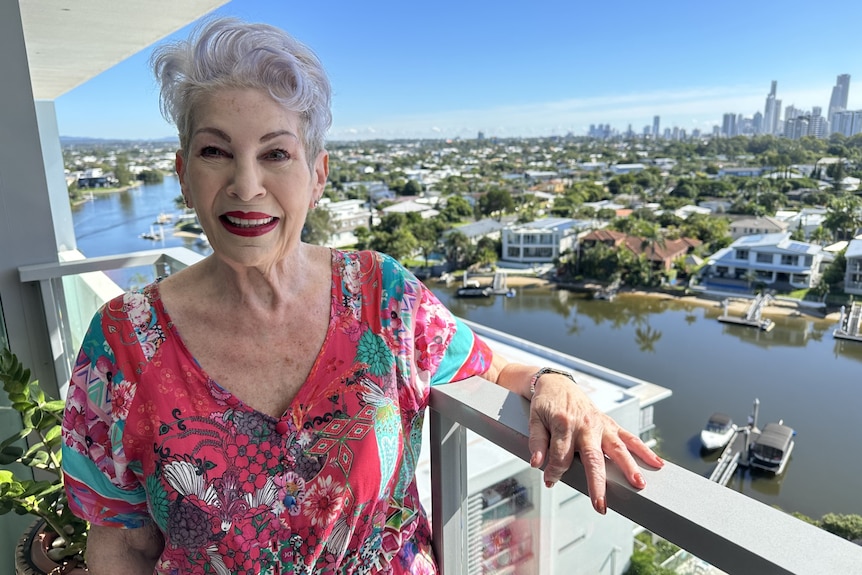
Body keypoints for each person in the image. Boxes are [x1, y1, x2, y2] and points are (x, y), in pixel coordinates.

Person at [61, 17, 663, 575]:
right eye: (215, 152)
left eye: (276, 153)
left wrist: (557, 386)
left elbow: (496, 366)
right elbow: (121, 540)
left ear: (317, 176)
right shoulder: (123, 343)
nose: (246, 185)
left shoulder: (383, 298)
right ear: (183, 175)